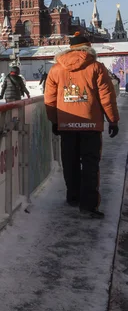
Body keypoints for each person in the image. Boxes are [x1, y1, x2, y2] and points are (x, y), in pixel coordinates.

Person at [44, 32, 119, 219]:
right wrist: (113, 120)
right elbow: (107, 97)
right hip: (90, 125)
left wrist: (55, 121)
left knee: (69, 162)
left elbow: (50, 99)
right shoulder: (96, 67)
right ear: (88, 47)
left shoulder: (56, 70)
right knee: (90, 164)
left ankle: (73, 197)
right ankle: (88, 205)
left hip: (67, 125)